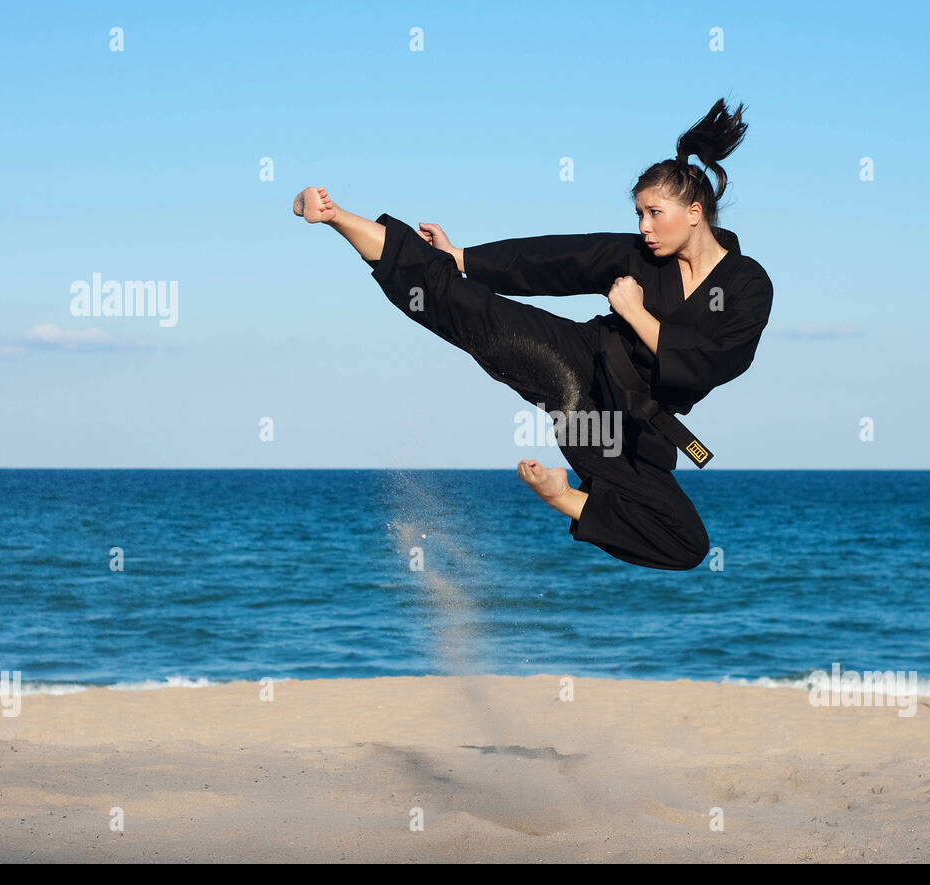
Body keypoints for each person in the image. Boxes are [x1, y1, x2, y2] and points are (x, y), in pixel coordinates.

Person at [292, 98, 773, 571]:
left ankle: (567, 499)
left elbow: (717, 361)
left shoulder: (748, 285)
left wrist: (636, 313)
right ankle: (336, 216)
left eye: (654, 213)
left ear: (694, 212)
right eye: (638, 215)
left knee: (686, 543)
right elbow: (556, 261)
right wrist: (462, 259)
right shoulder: (640, 257)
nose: (644, 228)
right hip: (578, 365)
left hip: (621, 427)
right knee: (464, 307)